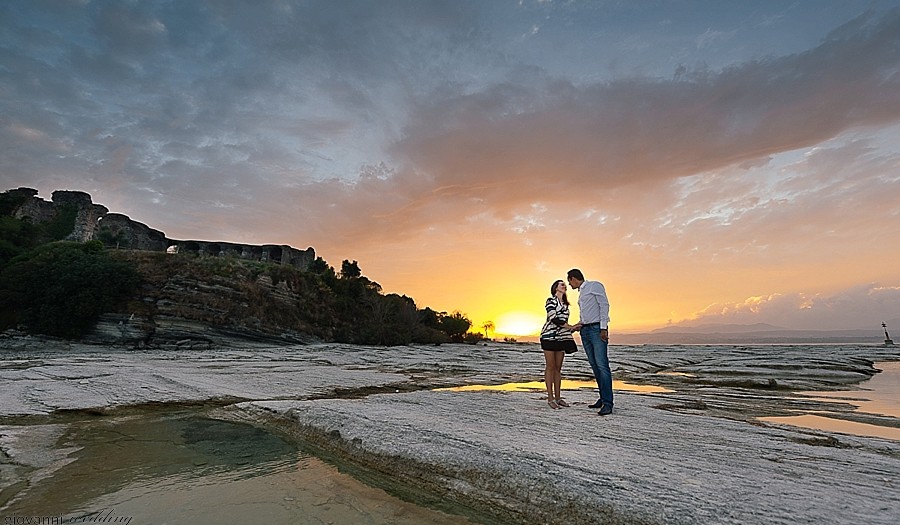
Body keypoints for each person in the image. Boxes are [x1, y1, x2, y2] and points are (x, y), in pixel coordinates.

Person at [567, 268, 613, 415]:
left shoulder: (594, 285)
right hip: (585, 330)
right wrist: (578, 325)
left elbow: (604, 305)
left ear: (574, 278)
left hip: (596, 330)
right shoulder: (581, 293)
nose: (569, 285)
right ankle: (602, 397)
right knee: (594, 365)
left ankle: (608, 403)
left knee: (602, 365)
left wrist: (603, 328)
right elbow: (587, 313)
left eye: (569, 281)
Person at [539, 279, 578, 409]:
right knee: (550, 366)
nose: (564, 286)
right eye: (561, 284)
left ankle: (558, 397)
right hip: (548, 336)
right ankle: (550, 398)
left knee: (558, 368)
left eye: (564, 284)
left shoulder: (566, 305)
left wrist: (573, 327)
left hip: (561, 338)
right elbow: (553, 318)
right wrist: (570, 326)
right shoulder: (550, 301)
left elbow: (564, 321)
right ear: (556, 288)